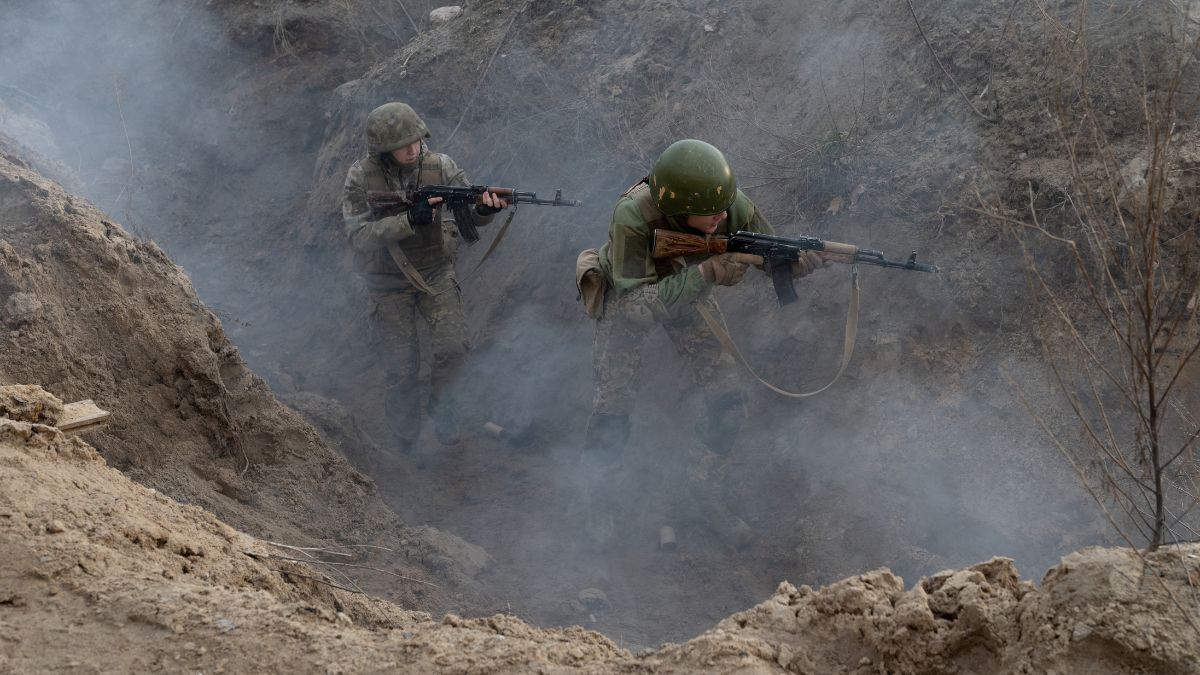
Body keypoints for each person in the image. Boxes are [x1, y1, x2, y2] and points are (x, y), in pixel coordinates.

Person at [579, 138, 824, 549]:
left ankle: (701, 488)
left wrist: (798, 263)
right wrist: (708, 273)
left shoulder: (730, 205)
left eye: (724, 207)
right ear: (678, 208)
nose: (722, 217)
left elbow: (772, 255)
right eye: (711, 212)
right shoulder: (633, 215)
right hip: (630, 295)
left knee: (729, 398)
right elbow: (637, 308)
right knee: (613, 407)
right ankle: (597, 501)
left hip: (689, 291)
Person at [342, 101, 507, 453]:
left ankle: (444, 411)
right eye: (402, 145)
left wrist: (484, 210)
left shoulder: (440, 166)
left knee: (454, 348)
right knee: (401, 369)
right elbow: (358, 236)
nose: (413, 149)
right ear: (383, 148)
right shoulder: (362, 177)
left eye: (416, 140)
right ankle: (405, 440)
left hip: (435, 271)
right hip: (387, 283)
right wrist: (407, 220)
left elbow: (470, 209)